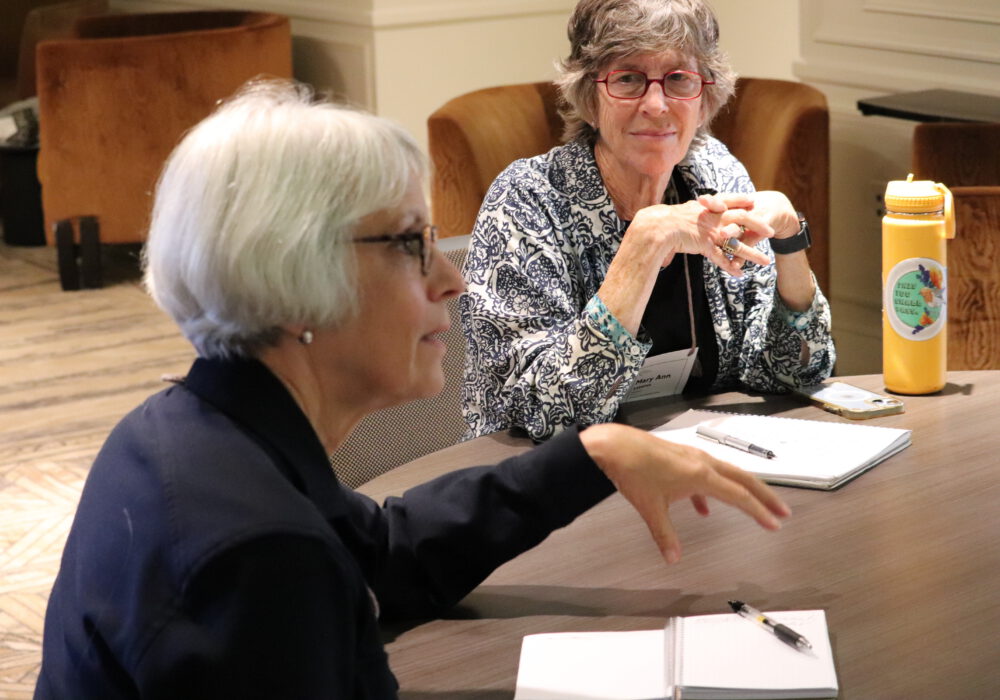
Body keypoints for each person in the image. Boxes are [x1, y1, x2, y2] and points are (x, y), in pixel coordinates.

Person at [34, 80, 790, 699]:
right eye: (410, 245)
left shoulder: (193, 431)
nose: (451, 279)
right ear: (295, 279)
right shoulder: (256, 562)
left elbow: (381, 551)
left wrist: (590, 454)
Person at [461, 0, 836, 441]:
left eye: (678, 79)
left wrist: (789, 239)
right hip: (547, 483)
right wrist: (644, 242)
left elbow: (795, 371)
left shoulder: (714, 175)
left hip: (694, 463)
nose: (656, 104)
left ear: (705, 96)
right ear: (588, 95)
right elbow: (545, 414)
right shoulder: (528, 200)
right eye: (628, 79)